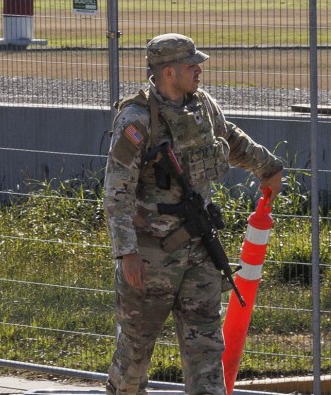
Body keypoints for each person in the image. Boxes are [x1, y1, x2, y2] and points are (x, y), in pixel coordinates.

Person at [104, 33, 284, 395]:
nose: (199, 70)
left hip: (198, 250)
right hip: (151, 258)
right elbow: (116, 192)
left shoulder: (202, 106)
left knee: (205, 350)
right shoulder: (137, 121)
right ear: (168, 71)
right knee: (135, 353)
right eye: (191, 65)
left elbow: (229, 139)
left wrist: (267, 167)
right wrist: (127, 253)